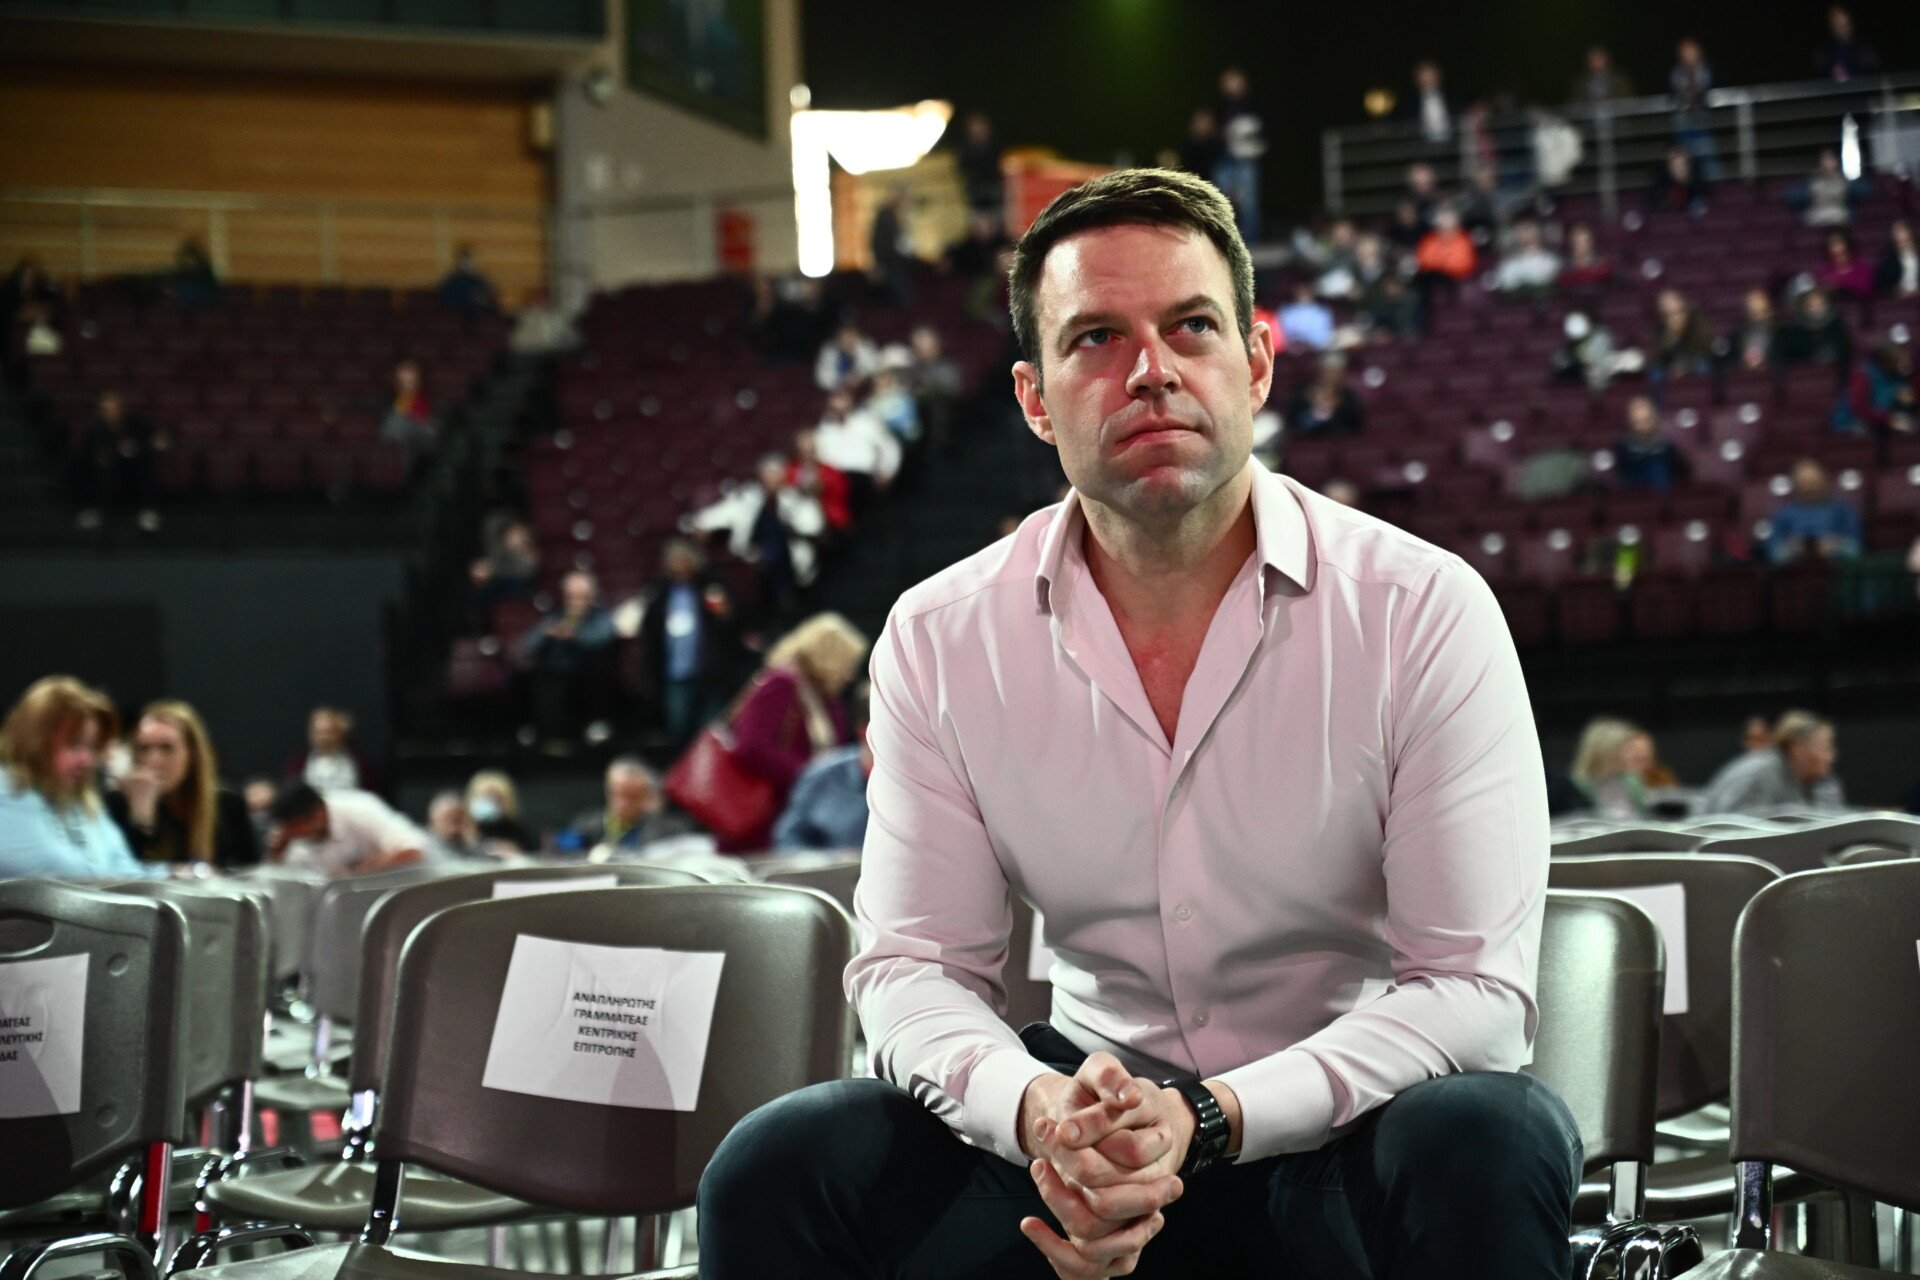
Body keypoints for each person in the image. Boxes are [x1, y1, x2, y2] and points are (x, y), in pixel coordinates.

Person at [699, 168, 1577, 1278]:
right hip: (1077, 1136)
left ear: (1257, 361)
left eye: (1191, 327)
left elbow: (1473, 995)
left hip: (1343, 1135)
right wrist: (1039, 1114)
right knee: (779, 1164)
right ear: (1034, 399)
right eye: (1097, 338)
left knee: (1488, 1136)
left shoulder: (1422, 610)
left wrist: (1210, 1117)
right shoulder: (939, 637)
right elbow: (916, 967)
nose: (1151, 369)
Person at [719, 612, 865, 853]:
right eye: (846, 663)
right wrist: (812, 777)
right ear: (827, 657)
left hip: (800, 813)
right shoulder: (781, 684)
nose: (849, 674)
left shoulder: (823, 697)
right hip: (763, 820)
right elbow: (752, 747)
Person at [0, 676, 146, 880]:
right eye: (74, 744)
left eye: (92, 746)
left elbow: (126, 868)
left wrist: (176, 874)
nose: (87, 760)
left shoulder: (80, 798)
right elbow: (60, 872)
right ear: (35, 743)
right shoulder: (7, 790)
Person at [105, 700, 259, 870]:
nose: (153, 760)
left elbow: (251, 872)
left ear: (192, 754)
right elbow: (123, 874)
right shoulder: (119, 803)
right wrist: (141, 819)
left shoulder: (228, 804)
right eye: (144, 749)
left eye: (167, 748)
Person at [684, 453, 826, 617]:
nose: (772, 478)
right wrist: (702, 524)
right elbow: (719, 514)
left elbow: (813, 526)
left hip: (792, 558)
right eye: (768, 473)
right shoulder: (748, 496)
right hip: (754, 557)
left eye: (776, 473)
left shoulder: (795, 497)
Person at [517, 569, 618, 742]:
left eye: (581, 596)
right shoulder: (554, 615)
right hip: (554, 673)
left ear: (591, 597)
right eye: (570, 596)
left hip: (587, 674)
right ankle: (546, 733)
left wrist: (575, 636)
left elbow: (604, 637)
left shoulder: (599, 615)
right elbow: (528, 643)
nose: (575, 602)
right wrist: (546, 633)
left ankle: (592, 728)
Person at [771, 682, 873, 851]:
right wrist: (831, 861)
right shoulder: (823, 776)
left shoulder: (918, 781)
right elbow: (787, 840)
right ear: (864, 732)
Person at [1693, 710, 1844, 816]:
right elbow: (1728, 830)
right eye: (1825, 748)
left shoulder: (1818, 784)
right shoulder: (1760, 774)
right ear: (1797, 748)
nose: (1831, 757)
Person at [270, 783, 427, 877]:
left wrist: (358, 873)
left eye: (296, 828)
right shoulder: (290, 840)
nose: (294, 835)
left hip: (401, 889)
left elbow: (412, 849)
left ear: (318, 813)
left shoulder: (360, 808)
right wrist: (276, 856)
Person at [71, 389, 168, 533]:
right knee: (84, 468)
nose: (111, 411)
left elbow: (158, 438)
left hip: (134, 471)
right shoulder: (94, 430)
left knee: (146, 466)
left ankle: (148, 512)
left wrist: (159, 441)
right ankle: (95, 512)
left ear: (122, 407)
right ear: (101, 410)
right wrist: (102, 457)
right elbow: (89, 453)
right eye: (107, 408)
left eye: (115, 406)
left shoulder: (136, 424)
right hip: (108, 473)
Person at [565, 757, 695, 855]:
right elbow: (565, 849)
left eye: (632, 796)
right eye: (617, 793)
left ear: (647, 796)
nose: (622, 803)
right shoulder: (587, 824)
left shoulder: (669, 829)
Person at [1766, 458, 1862, 564]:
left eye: (1813, 482)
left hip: (1835, 567)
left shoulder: (1842, 511)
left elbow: (1856, 550)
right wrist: (1792, 548)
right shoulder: (1783, 514)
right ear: (1795, 485)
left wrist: (1836, 545)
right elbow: (1773, 554)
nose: (1809, 488)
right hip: (1794, 569)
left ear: (1824, 482)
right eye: (1804, 483)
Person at [815, 385, 903, 493]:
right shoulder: (823, 430)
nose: (840, 404)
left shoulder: (866, 421)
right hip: (837, 482)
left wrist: (887, 471)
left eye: (843, 399)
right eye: (835, 399)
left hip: (864, 478)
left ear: (851, 400)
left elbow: (888, 446)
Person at [1212, 68, 1265, 244]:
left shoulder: (1254, 102)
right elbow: (1215, 132)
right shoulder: (1220, 106)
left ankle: (1251, 241)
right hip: (1225, 158)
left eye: (1233, 80)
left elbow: (1261, 129)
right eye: (1226, 82)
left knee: (1249, 200)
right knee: (1222, 199)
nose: (1229, 85)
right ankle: (1228, 239)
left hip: (1246, 159)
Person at [1568, 717, 1653, 820]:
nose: (1634, 755)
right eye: (1629, 749)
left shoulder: (1632, 780)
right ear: (1607, 749)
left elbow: (1647, 817)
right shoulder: (1578, 786)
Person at [285, 706, 378, 794]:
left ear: (340, 733)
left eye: (329, 732)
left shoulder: (360, 764)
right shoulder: (297, 765)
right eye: (319, 732)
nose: (324, 737)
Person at [1612, 394, 1686, 491]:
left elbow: (1681, 473)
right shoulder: (1623, 448)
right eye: (1639, 422)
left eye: (1646, 420)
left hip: (1665, 494)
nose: (1643, 426)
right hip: (1635, 494)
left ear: (1654, 419)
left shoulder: (1667, 447)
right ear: (1631, 421)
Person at [1413, 205, 1476, 317]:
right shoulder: (1429, 240)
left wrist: (1441, 264)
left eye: (1448, 221)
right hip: (1432, 277)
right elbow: (1423, 261)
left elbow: (1465, 264)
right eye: (1442, 222)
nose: (1445, 226)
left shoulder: (1464, 240)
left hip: (1456, 278)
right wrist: (1442, 264)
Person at [1283, 354, 1364, 439]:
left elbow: (1355, 425)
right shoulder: (1303, 392)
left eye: (1336, 372)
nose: (1332, 376)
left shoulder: (1348, 397)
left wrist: (1338, 405)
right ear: (1320, 371)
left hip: (1339, 440)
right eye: (1329, 371)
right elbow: (1293, 420)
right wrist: (1309, 402)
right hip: (1306, 440)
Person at [1669, 39, 1717, 179]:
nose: (1689, 55)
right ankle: (1687, 184)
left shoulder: (1706, 70)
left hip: (1702, 120)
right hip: (1683, 121)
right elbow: (1675, 92)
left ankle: (1713, 182)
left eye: (1691, 52)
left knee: (1706, 153)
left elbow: (1706, 90)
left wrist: (1694, 92)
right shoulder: (1676, 72)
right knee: (1683, 156)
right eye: (1686, 52)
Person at [1848, 341, 1916, 437]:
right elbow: (1859, 408)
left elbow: (1907, 403)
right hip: (1860, 423)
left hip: (1888, 422)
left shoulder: (1898, 376)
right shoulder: (1863, 375)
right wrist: (1888, 419)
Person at [1649, 288, 1716, 383]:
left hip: (1695, 363)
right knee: (1655, 372)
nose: (1673, 319)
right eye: (1667, 315)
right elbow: (1659, 356)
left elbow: (1703, 349)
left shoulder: (1697, 324)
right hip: (1670, 367)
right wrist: (1670, 337)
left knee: (1703, 366)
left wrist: (1685, 365)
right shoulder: (1660, 329)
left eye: (1675, 313)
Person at [465, 770, 538, 853]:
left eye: (496, 798)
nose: (491, 802)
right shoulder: (463, 829)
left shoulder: (518, 832)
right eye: (486, 797)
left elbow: (532, 853)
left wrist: (514, 851)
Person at [955, 112, 1006, 223]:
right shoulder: (964, 151)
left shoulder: (995, 148)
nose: (978, 130)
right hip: (974, 200)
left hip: (996, 198)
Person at [381, 359, 436, 460]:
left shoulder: (430, 407)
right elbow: (387, 436)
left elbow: (431, 439)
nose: (406, 387)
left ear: (419, 382)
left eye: (411, 382)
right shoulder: (387, 408)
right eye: (402, 382)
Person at [1793, 149, 1863, 228]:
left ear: (1836, 161)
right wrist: (1808, 192)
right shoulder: (1811, 180)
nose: (1827, 163)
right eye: (1824, 160)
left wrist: (1848, 186)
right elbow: (1793, 196)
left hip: (1839, 213)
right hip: (1817, 214)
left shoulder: (1844, 179)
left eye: (1830, 159)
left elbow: (1864, 191)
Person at [870, 185, 915, 308]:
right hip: (889, 263)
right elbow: (878, 243)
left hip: (898, 263)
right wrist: (879, 265)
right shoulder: (885, 215)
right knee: (896, 299)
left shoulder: (898, 215)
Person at [1492, 220, 1561, 298]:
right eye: (1521, 230)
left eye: (1529, 228)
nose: (1526, 235)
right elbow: (1506, 285)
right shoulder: (1509, 265)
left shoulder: (1552, 260)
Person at [1814, 5, 1878, 84]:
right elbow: (1819, 79)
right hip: (1833, 91)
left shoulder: (1864, 48)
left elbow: (1873, 76)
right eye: (1836, 23)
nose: (1842, 28)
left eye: (1844, 24)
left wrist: (1851, 76)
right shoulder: (1823, 52)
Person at [1729, 288, 1784, 373]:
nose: (1757, 317)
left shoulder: (1783, 334)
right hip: (1746, 378)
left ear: (1770, 310)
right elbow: (1732, 364)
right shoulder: (1737, 336)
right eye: (1753, 312)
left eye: (1761, 312)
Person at [815, 322, 881, 393]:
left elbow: (876, 367)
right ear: (837, 340)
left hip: (867, 387)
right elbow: (823, 379)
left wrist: (862, 377)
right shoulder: (829, 352)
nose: (848, 341)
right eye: (843, 338)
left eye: (851, 336)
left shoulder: (865, 346)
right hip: (838, 390)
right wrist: (843, 382)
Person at [1814, 230, 1874, 304]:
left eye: (1840, 244)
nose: (1837, 249)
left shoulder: (1861, 267)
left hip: (1859, 306)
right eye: (1832, 245)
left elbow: (1866, 289)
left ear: (1848, 246)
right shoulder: (1823, 271)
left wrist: (1842, 287)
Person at [437, 244, 499, 313]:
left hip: (479, 312)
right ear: (459, 262)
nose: (468, 264)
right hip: (460, 312)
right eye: (464, 261)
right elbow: (447, 297)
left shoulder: (478, 279)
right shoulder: (453, 280)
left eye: (470, 261)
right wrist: (471, 297)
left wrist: (484, 297)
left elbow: (488, 294)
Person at [1275, 281, 1334, 352]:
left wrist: (1307, 343)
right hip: (1290, 351)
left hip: (1314, 351)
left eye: (1305, 291)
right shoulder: (1286, 310)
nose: (1303, 294)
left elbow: (1323, 338)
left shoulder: (1322, 312)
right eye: (1300, 291)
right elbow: (1281, 334)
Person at [1556, 223, 1612, 298]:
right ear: (1571, 243)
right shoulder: (1564, 270)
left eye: (1584, 242)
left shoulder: (1602, 268)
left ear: (1591, 243)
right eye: (1577, 242)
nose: (1581, 246)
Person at [1648, 148, 1709, 215]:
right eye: (1675, 165)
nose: (1679, 169)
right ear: (1668, 167)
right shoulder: (1662, 186)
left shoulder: (1699, 186)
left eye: (1681, 165)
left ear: (1688, 165)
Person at [425, 790, 483, 860]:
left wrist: (473, 841)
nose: (453, 826)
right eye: (448, 819)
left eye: (458, 819)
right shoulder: (423, 845)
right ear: (432, 819)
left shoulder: (467, 841)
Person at [1176, 107, 1222, 181]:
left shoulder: (1218, 146)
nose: (1204, 124)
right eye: (1201, 121)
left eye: (1207, 121)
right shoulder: (1187, 148)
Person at [1877, 220, 1919, 300]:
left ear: (1913, 238)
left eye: (1906, 240)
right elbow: (1883, 287)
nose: (1903, 245)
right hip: (1899, 301)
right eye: (1899, 242)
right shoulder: (1888, 263)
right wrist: (1896, 292)